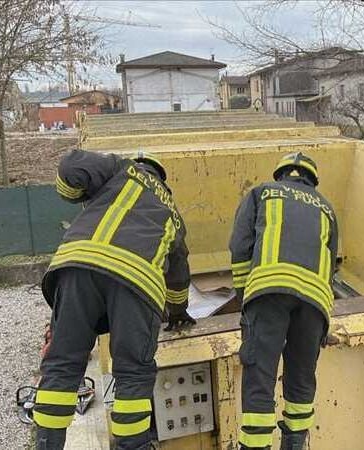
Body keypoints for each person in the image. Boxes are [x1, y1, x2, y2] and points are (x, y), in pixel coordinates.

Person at [35, 149, 196, 450]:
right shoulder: (172, 213)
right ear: (163, 179)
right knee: (133, 373)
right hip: (137, 282)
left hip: (77, 267)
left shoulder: (119, 170)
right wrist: (178, 311)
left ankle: (46, 443)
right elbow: (178, 273)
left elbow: (71, 165)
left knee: (62, 364)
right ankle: (133, 445)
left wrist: (75, 196)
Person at [229, 152, 339, 450]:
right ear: (312, 180)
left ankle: (255, 446)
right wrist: (323, 320)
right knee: (302, 378)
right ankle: (294, 444)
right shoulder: (327, 208)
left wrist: (245, 298)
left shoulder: (261, 193)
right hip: (315, 301)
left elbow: (240, 248)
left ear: (280, 174)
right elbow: (330, 265)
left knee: (260, 375)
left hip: (269, 292)